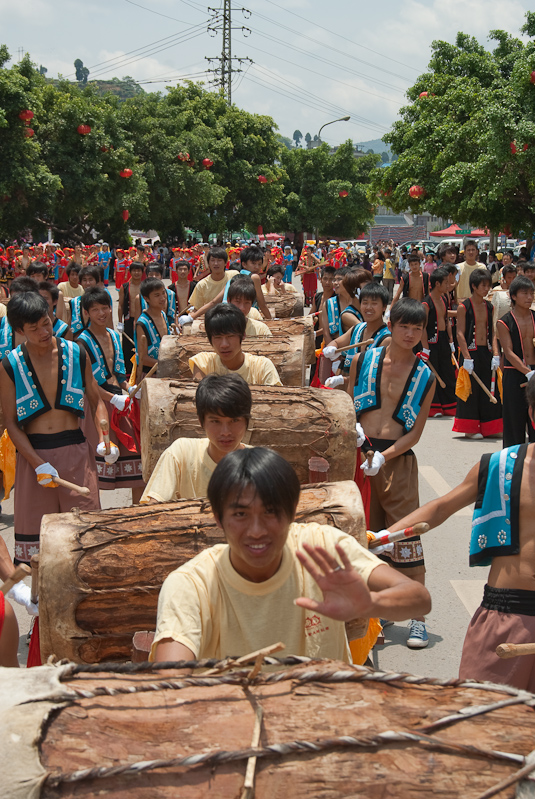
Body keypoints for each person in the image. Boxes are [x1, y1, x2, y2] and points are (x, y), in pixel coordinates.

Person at [151, 447, 431, 663]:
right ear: (218, 518)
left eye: (271, 512)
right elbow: (172, 679)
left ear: (294, 511)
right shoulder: (191, 584)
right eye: (240, 514)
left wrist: (369, 604)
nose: (257, 530)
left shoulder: (323, 547)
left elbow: (419, 599)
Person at [386, 377, 535, 690]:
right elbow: (441, 508)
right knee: (484, 721)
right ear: (532, 414)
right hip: (506, 616)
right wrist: (381, 538)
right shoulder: (500, 465)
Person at [347, 298, 435, 648]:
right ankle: (373, 616)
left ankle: (418, 618)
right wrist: (357, 437)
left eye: (417, 328)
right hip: (359, 454)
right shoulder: (363, 359)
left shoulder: (425, 374)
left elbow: (416, 431)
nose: (410, 333)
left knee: (405, 536)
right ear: (392, 324)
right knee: (364, 532)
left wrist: (385, 456)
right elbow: (347, 401)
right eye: (404, 326)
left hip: (397, 460)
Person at [0, 292, 109, 565]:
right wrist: (38, 464)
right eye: (33, 328)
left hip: (76, 453)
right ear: (19, 331)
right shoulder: (9, 365)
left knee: (85, 535)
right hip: (34, 461)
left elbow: (96, 402)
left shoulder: (76, 352)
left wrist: (105, 439)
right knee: (38, 549)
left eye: (46, 323)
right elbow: (11, 422)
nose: (43, 331)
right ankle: (41, 608)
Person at [141, 374, 252, 503]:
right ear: (201, 421)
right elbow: (153, 508)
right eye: (216, 421)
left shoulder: (260, 465)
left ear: (247, 421)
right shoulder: (181, 453)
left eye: (234, 420)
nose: (225, 432)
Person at [79, 288, 145, 503]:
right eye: (95, 309)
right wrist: (112, 398)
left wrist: (130, 388)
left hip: (120, 402)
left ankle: (138, 514)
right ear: (86, 312)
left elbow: (118, 372)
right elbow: (88, 383)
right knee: (94, 471)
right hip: (97, 405)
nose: (101, 313)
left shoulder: (115, 336)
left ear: (110, 308)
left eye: (104, 308)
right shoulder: (81, 342)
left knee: (138, 464)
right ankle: (92, 518)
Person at [452, 269, 502, 439]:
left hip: (486, 351)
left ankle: (490, 427)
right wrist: (466, 357)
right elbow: (460, 333)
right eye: (483, 285)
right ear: (474, 286)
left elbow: (493, 331)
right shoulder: (463, 307)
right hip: (469, 352)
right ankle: (470, 429)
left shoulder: (489, 306)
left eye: (488, 285)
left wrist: (496, 354)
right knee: (471, 391)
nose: (487, 289)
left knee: (490, 388)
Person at [189, 304, 282, 385]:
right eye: (218, 337)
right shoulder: (203, 363)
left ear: (243, 335)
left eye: (230, 336)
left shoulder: (262, 367)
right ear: (210, 339)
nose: (224, 345)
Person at [322, 282, 391, 385]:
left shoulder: (386, 339)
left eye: (374, 303)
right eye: (365, 302)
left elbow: (373, 377)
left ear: (384, 307)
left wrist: (343, 380)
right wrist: (332, 350)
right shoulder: (358, 328)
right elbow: (336, 342)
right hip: (345, 392)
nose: (368, 307)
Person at [497, 276, 535, 447]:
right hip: (514, 372)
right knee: (514, 423)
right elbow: (509, 352)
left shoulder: (534, 317)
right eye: (525, 293)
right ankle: (513, 466)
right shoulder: (504, 322)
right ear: (513, 296)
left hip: (534, 371)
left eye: (532, 293)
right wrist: (528, 373)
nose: (529, 297)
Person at [420, 267, 457, 418]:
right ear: (437, 284)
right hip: (430, 341)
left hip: (443, 340)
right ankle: (433, 407)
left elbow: (446, 319)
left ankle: (449, 405)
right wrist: (425, 348)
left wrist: (450, 339)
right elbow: (422, 327)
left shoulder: (444, 298)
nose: (448, 286)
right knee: (432, 374)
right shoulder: (426, 303)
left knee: (447, 371)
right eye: (446, 283)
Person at [187, 247, 239, 313]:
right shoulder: (201, 285)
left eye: (219, 260)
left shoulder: (234, 276)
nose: (216, 263)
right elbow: (197, 309)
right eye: (212, 260)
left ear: (226, 263)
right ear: (208, 263)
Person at [135, 278, 170, 375]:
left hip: (165, 369)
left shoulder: (163, 314)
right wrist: (168, 365)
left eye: (163, 293)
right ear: (146, 298)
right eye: (157, 295)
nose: (162, 298)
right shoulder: (142, 324)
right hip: (150, 375)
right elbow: (143, 358)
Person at [118, 261, 144, 368]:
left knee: (142, 345)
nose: (136, 273)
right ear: (130, 272)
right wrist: (120, 322)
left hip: (143, 320)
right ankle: (128, 372)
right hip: (129, 320)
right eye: (134, 270)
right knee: (128, 347)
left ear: (142, 272)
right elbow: (120, 305)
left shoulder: (145, 286)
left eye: (139, 270)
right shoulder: (124, 287)